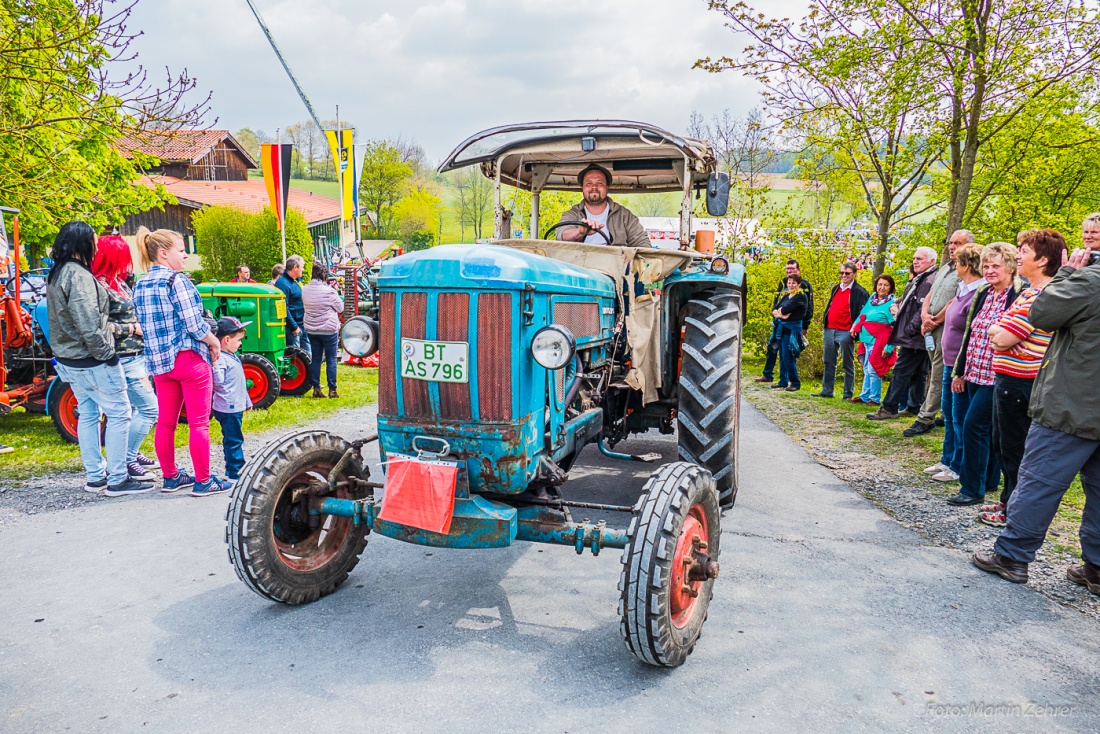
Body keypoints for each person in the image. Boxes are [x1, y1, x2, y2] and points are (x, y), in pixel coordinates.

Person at [971, 242, 1100, 590]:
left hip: (1074, 404)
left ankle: (1012, 556)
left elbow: (1041, 312)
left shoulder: (1090, 280)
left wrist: (1069, 274)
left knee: (1040, 480)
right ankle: (1097, 568)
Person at [45, 222, 146, 497]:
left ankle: (95, 476)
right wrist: (108, 356)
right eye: (93, 241)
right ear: (82, 243)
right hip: (91, 358)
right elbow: (89, 324)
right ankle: (117, 478)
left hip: (69, 359)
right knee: (119, 413)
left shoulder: (57, 273)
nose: (97, 245)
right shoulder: (78, 276)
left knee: (88, 415)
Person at [132, 227, 232, 497]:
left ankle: (171, 476)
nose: (186, 255)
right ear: (164, 254)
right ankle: (203, 480)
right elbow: (194, 324)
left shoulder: (140, 284)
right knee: (199, 422)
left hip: (160, 365)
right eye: (181, 250)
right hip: (188, 359)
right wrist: (213, 342)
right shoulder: (177, 281)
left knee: (166, 422)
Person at [972, 230, 1062, 526]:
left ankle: (1014, 510)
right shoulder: (1028, 292)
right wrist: (999, 334)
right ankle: (1007, 503)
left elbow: (1005, 335)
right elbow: (996, 332)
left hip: (1021, 382)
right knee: (1003, 445)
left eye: (1024, 250)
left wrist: (1001, 334)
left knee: (1015, 448)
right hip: (1007, 378)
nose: (1018, 255)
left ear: (1044, 259)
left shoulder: (1046, 294)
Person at [945, 242, 1025, 506]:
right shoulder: (982, 292)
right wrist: (959, 371)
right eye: (986, 266)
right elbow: (969, 334)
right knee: (985, 429)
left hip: (999, 374)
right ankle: (989, 480)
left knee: (974, 426)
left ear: (1011, 266)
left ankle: (971, 489)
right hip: (973, 371)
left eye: (996, 266)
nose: (990, 271)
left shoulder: (1020, 293)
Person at [91, 233, 159, 482]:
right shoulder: (100, 287)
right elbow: (99, 326)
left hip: (135, 354)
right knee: (150, 409)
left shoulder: (120, 283)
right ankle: (127, 459)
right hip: (123, 357)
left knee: (133, 409)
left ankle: (130, 452)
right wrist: (131, 329)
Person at [924, 243, 985, 483]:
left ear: (967, 265)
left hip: (961, 364)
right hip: (949, 359)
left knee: (959, 416)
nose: (955, 267)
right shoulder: (962, 288)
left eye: (958, 263)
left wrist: (962, 368)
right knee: (948, 414)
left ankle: (958, 464)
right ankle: (947, 458)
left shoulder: (978, 292)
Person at [903, 231, 971, 437]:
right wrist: (925, 316)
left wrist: (936, 319)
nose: (952, 246)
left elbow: (958, 299)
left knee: (940, 374)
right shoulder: (946, 268)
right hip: (931, 326)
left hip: (947, 327)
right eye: (950, 242)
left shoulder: (969, 271)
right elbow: (931, 294)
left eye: (957, 243)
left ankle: (926, 417)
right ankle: (943, 410)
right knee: (935, 371)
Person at [866, 247, 939, 420]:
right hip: (918, 335)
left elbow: (922, 309)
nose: (915, 261)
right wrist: (897, 304)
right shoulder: (921, 278)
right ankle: (914, 406)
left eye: (920, 259)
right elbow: (907, 298)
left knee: (901, 370)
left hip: (915, 335)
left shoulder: (928, 281)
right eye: (915, 258)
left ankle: (889, 407)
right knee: (919, 372)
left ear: (931, 262)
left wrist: (908, 330)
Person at [556, 164, 650, 248]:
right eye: (589, 183)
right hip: (578, 266)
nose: (594, 187)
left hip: (615, 266)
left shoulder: (624, 215)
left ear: (607, 187)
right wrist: (580, 231)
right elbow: (561, 235)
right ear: (583, 188)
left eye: (600, 183)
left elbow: (642, 242)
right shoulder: (572, 214)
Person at [755, 259, 814, 383]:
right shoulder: (783, 283)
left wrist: (805, 325)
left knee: (789, 351)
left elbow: (808, 307)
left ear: (798, 270)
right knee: (773, 347)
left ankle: (788, 379)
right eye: (787, 268)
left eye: (792, 268)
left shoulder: (804, 286)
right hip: (779, 322)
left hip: (793, 324)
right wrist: (778, 315)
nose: (789, 271)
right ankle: (768, 374)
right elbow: (777, 304)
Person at [815, 261, 868, 399]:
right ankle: (827, 390)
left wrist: (855, 328)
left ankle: (847, 393)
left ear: (854, 274)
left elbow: (863, 313)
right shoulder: (836, 288)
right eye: (842, 273)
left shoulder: (859, 292)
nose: (844, 276)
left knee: (847, 362)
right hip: (830, 328)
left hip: (846, 330)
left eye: (847, 273)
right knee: (828, 360)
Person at [211, 317, 252, 490]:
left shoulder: (231, 356)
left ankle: (235, 466)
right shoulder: (221, 358)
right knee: (233, 439)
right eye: (239, 340)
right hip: (228, 407)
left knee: (235, 436)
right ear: (227, 340)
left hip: (235, 404)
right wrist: (213, 363)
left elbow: (240, 383)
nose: (240, 344)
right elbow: (218, 381)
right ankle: (235, 470)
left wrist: (247, 401)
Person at [850, 274, 896, 406]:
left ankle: (875, 398)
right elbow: (862, 315)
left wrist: (889, 347)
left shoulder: (892, 304)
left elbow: (895, 328)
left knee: (873, 369)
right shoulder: (872, 299)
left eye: (886, 285)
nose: (882, 288)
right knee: (866, 368)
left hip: (879, 341)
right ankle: (864, 396)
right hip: (866, 340)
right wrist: (854, 326)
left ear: (891, 288)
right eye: (880, 284)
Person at [301, 263, 344, 398]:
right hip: (328, 329)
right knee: (331, 359)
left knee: (316, 358)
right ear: (324, 275)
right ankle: (332, 389)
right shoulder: (329, 291)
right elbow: (340, 308)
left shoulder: (305, 290)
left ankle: (316, 388)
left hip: (312, 328)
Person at [770, 274, 808, 392]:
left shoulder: (801, 297)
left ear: (799, 284)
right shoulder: (786, 296)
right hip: (782, 328)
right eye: (789, 282)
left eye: (793, 283)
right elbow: (775, 309)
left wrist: (781, 313)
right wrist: (781, 315)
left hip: (792, 329)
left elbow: (785, 309)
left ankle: (795, 382)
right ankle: (783, 381)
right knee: (782, 355)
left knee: (788, 356)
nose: (790, 285)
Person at [274, 255, 305, 348]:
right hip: (294, 328)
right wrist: (294, 327)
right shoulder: (282, 284)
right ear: (295, 267)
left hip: (302, 323)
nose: (302, 270)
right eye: (302, 267)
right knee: (295, 356)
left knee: (307, 355)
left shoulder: (296, 281)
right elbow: (283, 307)